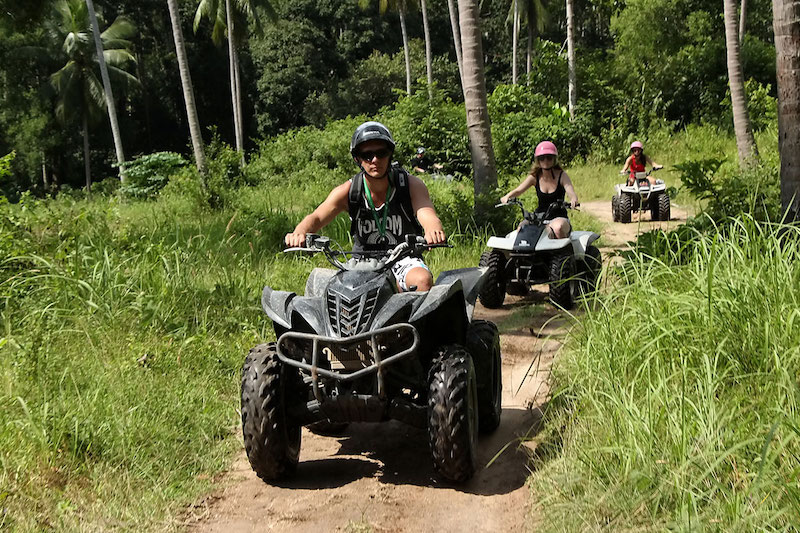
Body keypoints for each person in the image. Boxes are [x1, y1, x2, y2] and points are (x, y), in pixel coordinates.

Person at [284, 121, 446, 292]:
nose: (375, 160)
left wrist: (432, 230)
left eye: (381, 153)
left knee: (422, 280)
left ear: (390, 154)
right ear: (357, 159)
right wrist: (300, 232)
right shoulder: (349, 191)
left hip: (404, 259)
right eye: (367, 155)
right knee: (332, 293)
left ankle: (414, 320)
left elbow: (427, 213)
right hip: (360, 263)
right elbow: (316, 217)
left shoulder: (410, 185)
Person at [499, 141, 578, 239]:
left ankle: (565, 254)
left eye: (549, 157)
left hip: (559, 217)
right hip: (539, 217)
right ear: (538, 160)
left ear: (554, 159)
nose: (545, 161)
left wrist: (573, 199)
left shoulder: (561, 175)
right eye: (542, 158)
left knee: (558, 228)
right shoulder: (535, 177)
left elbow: (570, 191)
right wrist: (507, 197)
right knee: (522, 227)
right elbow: (518, 190)